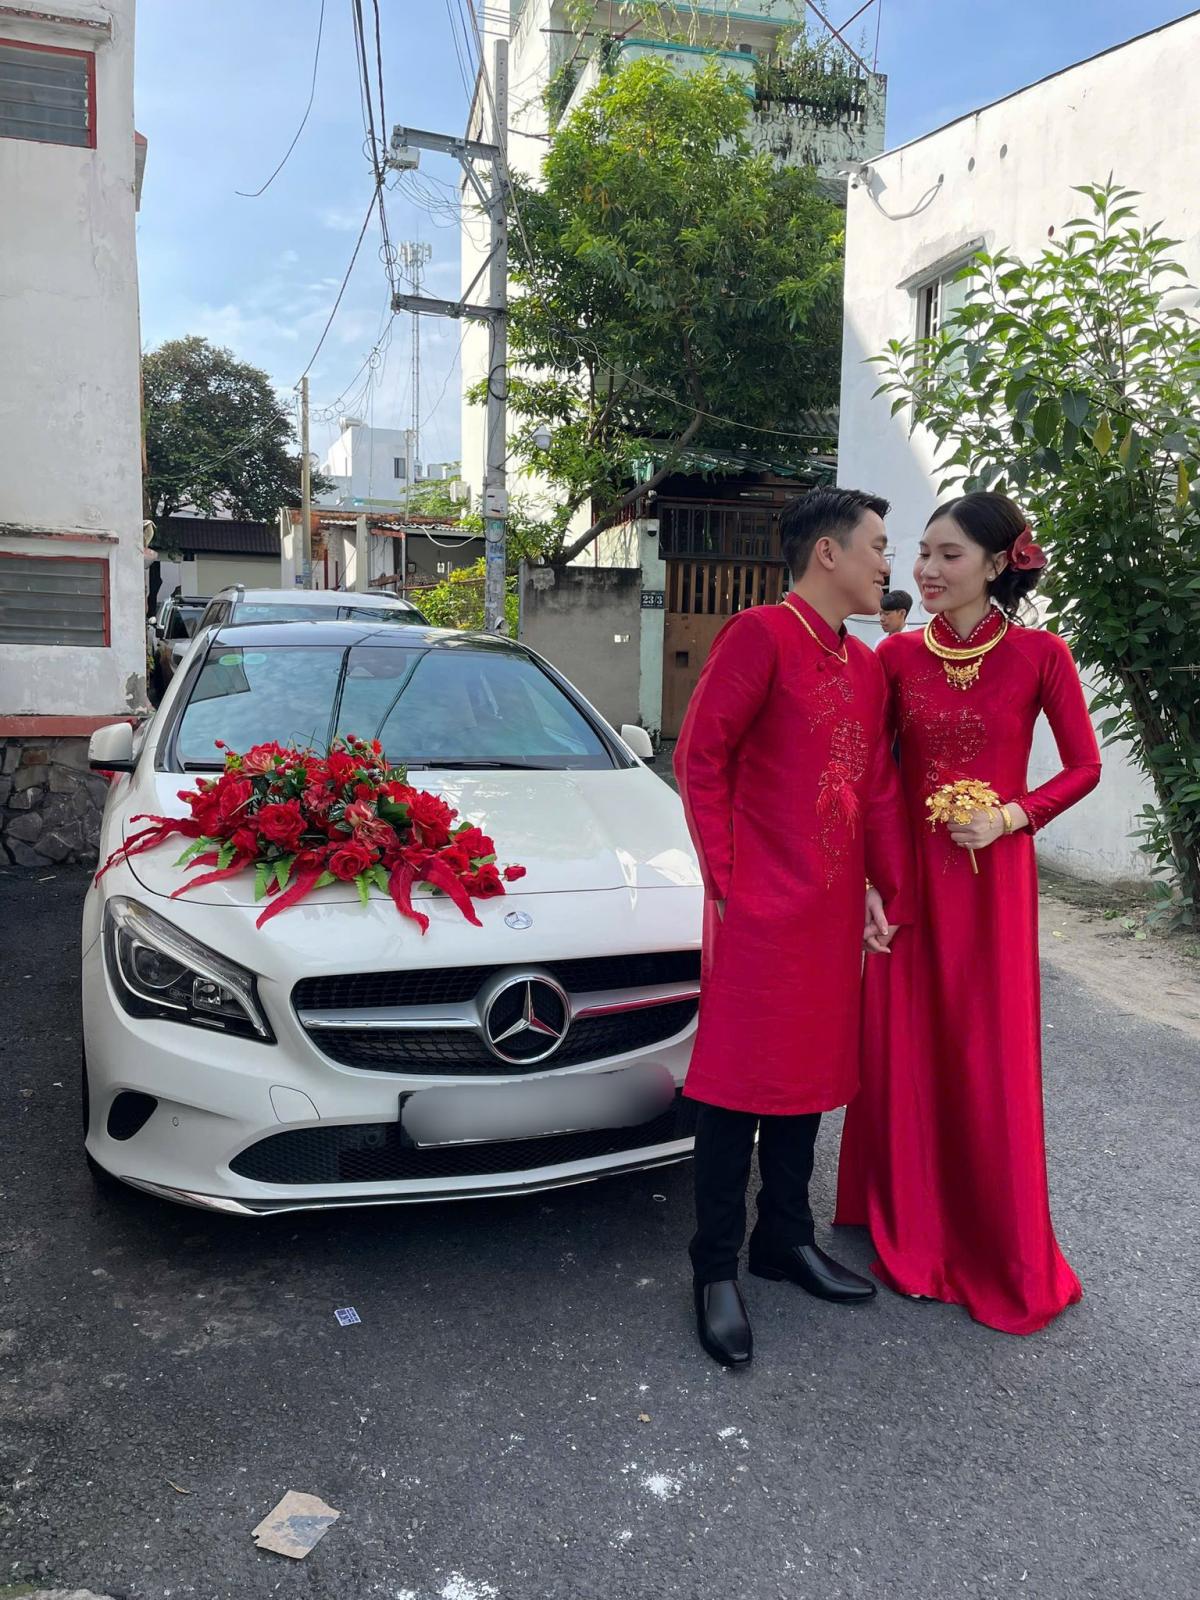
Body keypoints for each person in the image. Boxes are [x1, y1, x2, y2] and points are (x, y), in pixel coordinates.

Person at [836, 491, 1102, 1336]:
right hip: (911, 875)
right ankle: (908, 1218)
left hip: (994, 882)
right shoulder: (894, 657)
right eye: (922, 552)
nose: (926, 568)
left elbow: (1084, 767)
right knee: (905, 1044)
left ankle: (994, 1239)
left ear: (996, 563)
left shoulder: (1041, 656)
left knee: (985, 1051)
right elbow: (873, 777)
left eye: (948, 555)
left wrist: (1012, 815)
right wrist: (872, 881)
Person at [674, 487, 913, 1368]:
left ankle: (784, 1238)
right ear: (828, 552)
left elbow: (875, 788)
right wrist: (728, 884)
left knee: (808, 1076)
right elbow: (699, 757)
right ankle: (714, 1268)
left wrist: (880, 888)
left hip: (830, 910)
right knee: (735, 1087)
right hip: (760, 907)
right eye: (879, 545)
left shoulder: (865, 666)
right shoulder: (759, 637)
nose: (889, 563)